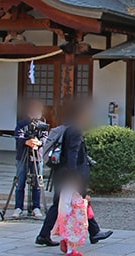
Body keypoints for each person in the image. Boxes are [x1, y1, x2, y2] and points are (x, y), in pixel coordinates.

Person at [36, 100, 113, 246]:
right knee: (81, 203)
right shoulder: (75, 130)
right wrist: (74, 177)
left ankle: (44, 234)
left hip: (61, 172)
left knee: (63, 203)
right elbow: (73, 154)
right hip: (72, 175)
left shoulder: (66, 128)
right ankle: (93, 232)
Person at [11, 99, 48, 220]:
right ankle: (18, 207)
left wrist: (38, 142)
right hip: (23, 156)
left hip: (37, 157)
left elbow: (45, 139)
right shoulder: (22, 123)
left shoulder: (42, 124)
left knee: (37, 183)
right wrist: (27, 141)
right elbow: (18, 136)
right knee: (20, 182)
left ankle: (36, 207)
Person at [51, 173, 88, 256]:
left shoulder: (65, 189)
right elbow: (75, 203)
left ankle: (65, 244)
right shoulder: (71, 190)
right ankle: (70, 250)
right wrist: (85, 201)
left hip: (65, 213)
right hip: (71, 215)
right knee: (73, 233)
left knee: (67, 231)